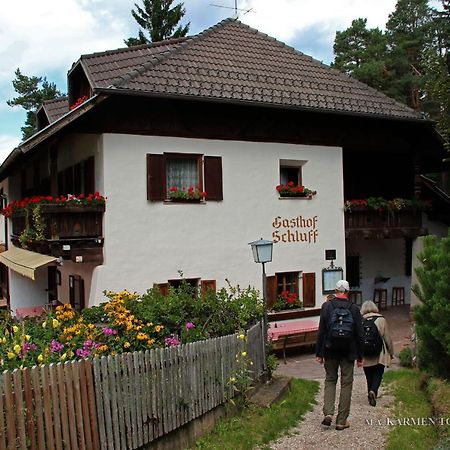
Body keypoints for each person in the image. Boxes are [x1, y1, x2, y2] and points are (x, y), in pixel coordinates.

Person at [315, 280, 364, 430]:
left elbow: (321, 331)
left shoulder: (326, 307)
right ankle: (341, 420)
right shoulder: (354, 309)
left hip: (330, 349)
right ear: (348, 292)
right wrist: (360, 356)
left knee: (330, 380)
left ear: (336, 291)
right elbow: (359, 334)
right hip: (348, 351)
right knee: (346, 383)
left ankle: (328, 413)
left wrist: (319, 353)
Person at [360, 300, 394, 407]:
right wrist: (391, 351)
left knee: (368, 373)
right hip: (379, 352)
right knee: (378, 372)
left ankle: (370, 390)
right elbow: (387, 337)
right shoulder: (381, 320)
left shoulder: (361, 320)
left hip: (365, 351)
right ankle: (373, 391)